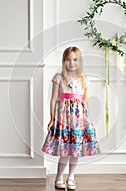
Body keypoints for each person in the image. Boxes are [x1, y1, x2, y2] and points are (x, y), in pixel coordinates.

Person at [42, 46, 100, 190]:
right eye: (68, 59)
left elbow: (85, 101)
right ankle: (59, 176)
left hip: (79, 121)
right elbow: (54, 99)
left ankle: (71, 177)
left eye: (75, 59)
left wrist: (88, 120)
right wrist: (52, 119)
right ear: (64, 61)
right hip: (63, 119)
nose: (71, 63)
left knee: (75, 149)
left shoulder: (83, 79)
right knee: (65, 150)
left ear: (79, 62)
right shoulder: (59, 78)